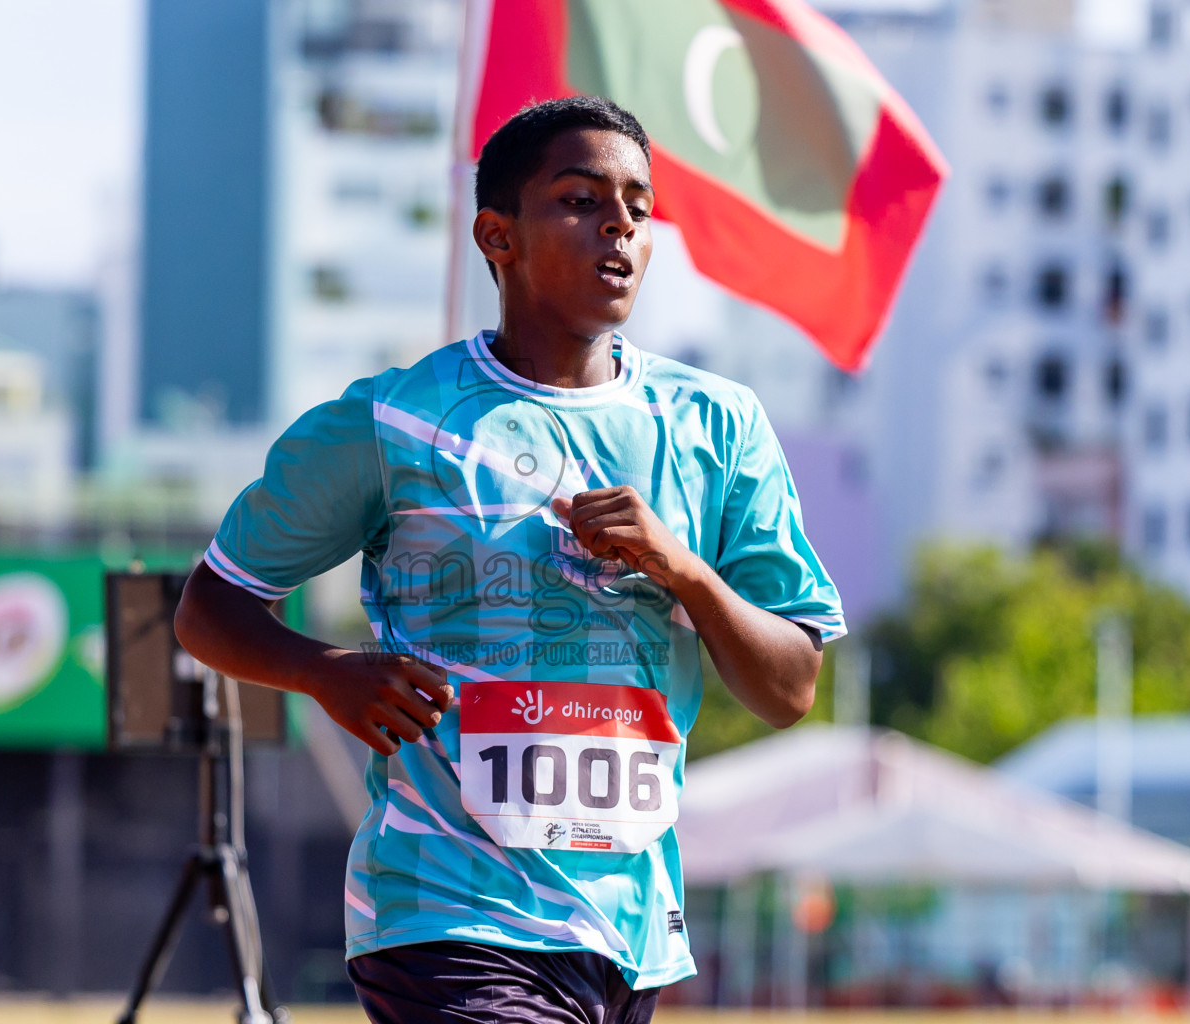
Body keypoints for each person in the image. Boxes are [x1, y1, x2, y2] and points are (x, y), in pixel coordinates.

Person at [174, 96, 844, 1024]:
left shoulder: (718, 428)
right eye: (579, 200)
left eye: (640, 209)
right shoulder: (394, 422)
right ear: (499, 235)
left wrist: (684, 570)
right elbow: (210, 608)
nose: (618, 225)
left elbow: (791, 687)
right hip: (443, 911)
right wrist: (324, 672)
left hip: (628, 933)